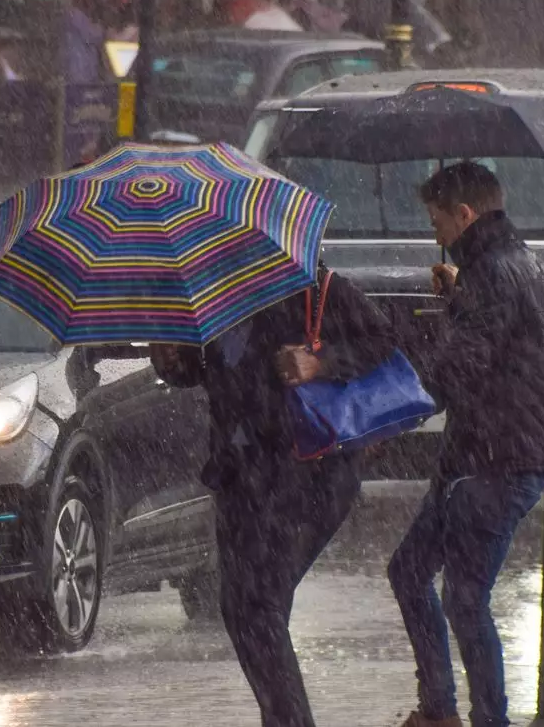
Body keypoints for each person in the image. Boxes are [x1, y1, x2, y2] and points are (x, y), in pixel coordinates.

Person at [149, 263, 397, 727]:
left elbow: (383, 340)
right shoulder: (209, 293)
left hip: (309, 473)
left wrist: (319, 363)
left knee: (259, 603)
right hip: (240, 474)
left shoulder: (310, 285)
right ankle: (281, 717)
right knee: (240, 607)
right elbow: (204, 371)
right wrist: (168, 355)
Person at [387, 162, 544, 727]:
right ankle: (440, 709)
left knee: (464, 596)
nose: (435, 234)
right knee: (410, 571)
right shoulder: (518, 262)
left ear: (464, 215)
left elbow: (463, 367)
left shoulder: (491, 273)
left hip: (498, 459)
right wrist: (460, 298)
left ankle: (487, 719)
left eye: (438, 222)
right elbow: (507, 340)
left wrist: (388, 403)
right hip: (483, 455)